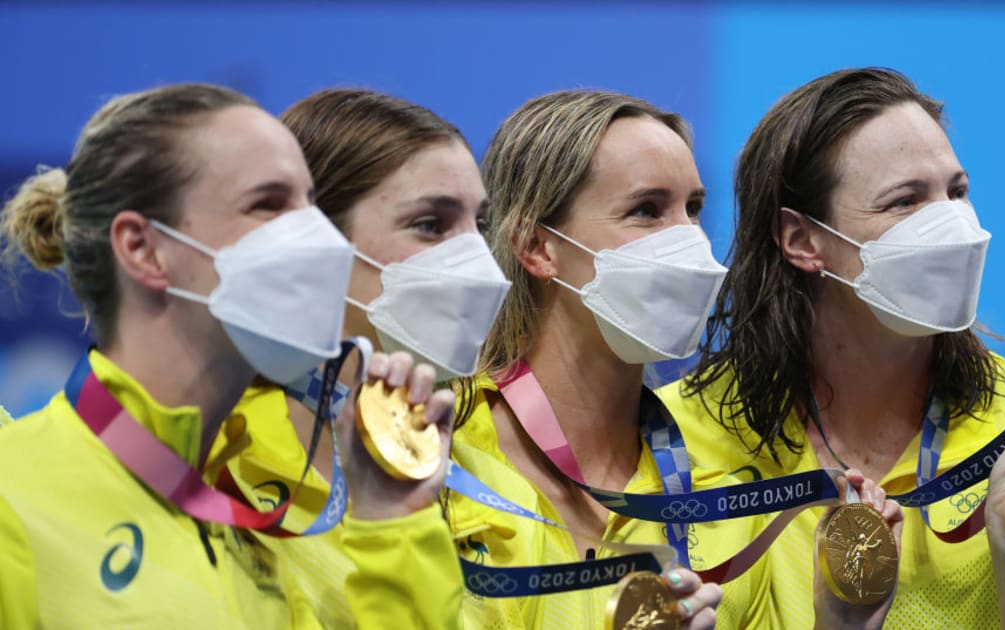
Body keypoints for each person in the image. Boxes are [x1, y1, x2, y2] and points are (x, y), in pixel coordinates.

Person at [661, 67, 1005, 629]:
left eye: (956, 192)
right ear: (801, 240)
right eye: (904, 201)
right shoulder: (670, 441)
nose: (954, 226)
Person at [0, 83, 460, 629]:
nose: (325, 242)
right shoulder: (14, 496)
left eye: (309, 204)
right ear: (144, 249)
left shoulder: (255, 542)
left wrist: (393, 525)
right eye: (269, 204)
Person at [453, 88, 902, 630]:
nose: (690, 246)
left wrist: (843, 626)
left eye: (692, 210)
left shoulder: (725, 492)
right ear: (538, 247)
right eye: (646, 211)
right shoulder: (439, 457)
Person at [210, 87, 507, 627]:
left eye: (479, 225)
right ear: (310, 246)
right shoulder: (209, 471)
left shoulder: (502, 491)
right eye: (431, 225)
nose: (480, 263)